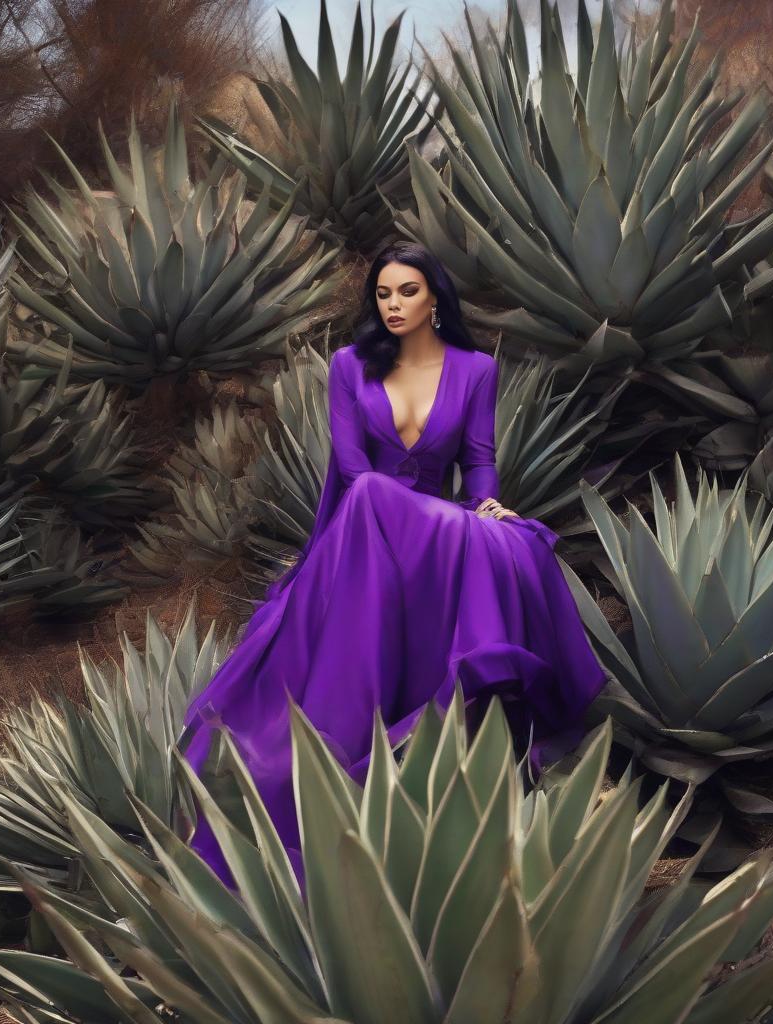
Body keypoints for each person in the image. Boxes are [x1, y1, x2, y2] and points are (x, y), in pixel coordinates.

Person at [180, 241, 608, 889]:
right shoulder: (350, 366)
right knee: (380, 492)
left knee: (514, 542)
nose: (394, 304)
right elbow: (353, 471)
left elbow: (480, 459)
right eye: (383, 294)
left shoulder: (474, 371)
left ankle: (475, 771)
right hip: (365, 526)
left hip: (434, 531)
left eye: (407, 291)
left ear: (435, 296)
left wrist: (488, 503)